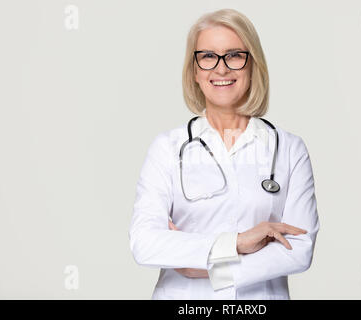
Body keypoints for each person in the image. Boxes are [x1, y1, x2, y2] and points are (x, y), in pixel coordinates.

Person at [129, 8, 320, 300]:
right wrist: (238, 243)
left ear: (252, 64)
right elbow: (144, 243)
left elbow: (298, 251)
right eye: (207, 56)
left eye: (234, 55)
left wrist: (200, 264)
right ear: (193, 71)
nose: (221, 69)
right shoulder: (167, 148)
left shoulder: (289, 149)